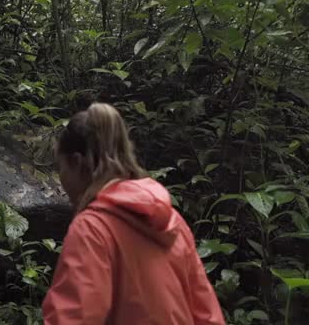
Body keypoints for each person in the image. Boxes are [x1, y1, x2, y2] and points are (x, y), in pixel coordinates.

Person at [42, 102, 225, 325]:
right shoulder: (173, 222)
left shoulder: (92, 229)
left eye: (60, 167)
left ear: (77, 162)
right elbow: (208, 315)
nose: (61, 179)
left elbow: (73, 319)